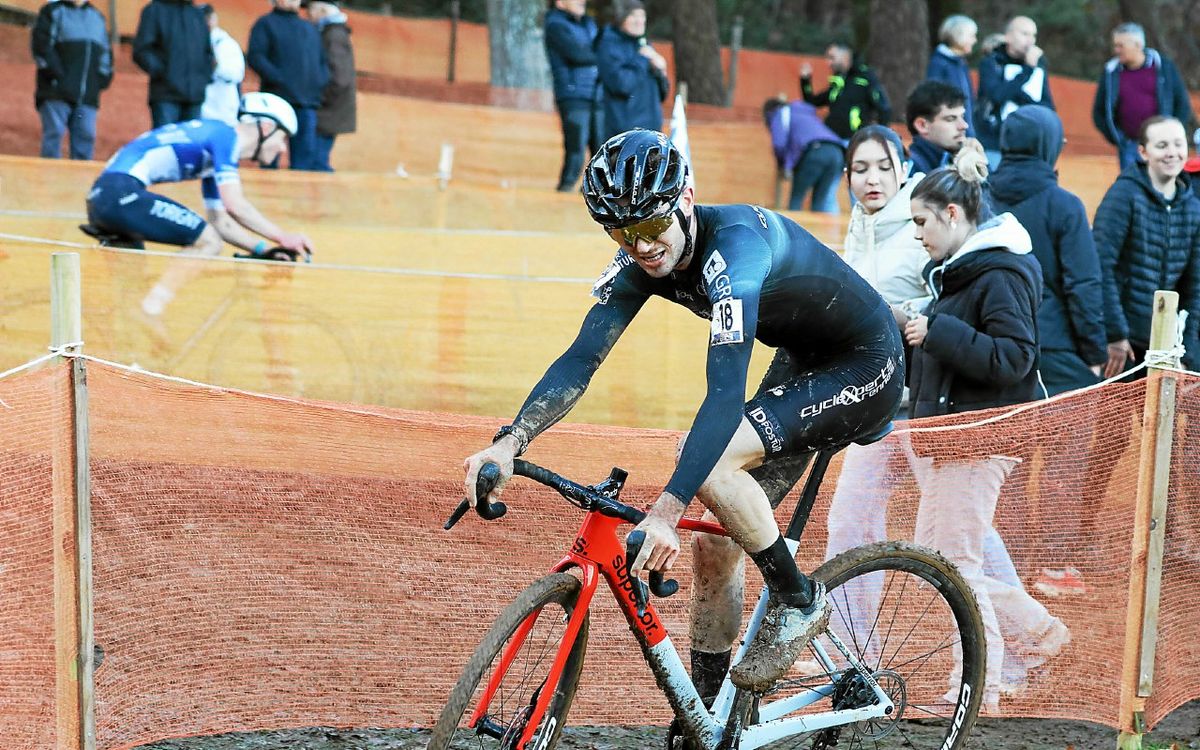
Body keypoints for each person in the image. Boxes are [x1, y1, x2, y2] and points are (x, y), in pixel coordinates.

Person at [462, 129, 904, 700]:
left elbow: (723, 397)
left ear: (686, 200)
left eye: (652, 226)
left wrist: (667, 510)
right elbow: (581, 358)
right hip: (804, 358)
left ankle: (799, 602)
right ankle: (707, 716)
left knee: (710, 468)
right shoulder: (641, 254)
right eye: (622, 233)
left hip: (866, 364)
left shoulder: (736, 254)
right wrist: (509, 441)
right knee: (718, 540)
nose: (643, 246)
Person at [905, 146, 1069, 710]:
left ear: (953, 214)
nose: (918, 235)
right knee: (937, 559)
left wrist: (936, 333)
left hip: (982, 440)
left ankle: (978, 688)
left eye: (922, 222)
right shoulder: (962, 274)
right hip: (957, 439)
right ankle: (1037, 632)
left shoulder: (1000, 273)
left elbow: (1015, 358)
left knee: (955, 566)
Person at [84, 93, 315, 317]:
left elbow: (220, 222)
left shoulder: (215, 153)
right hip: (120, 193)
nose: (283, 148)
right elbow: (235, 204)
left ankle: (138, 323)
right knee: (208, 242)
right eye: (283, 138)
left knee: (130, 300)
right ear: (266, 127)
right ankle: (152, 308)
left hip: (108, 196)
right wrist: (283, 237)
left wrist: (263, 249)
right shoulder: (225, 137)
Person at [991, 106, 1106, 394]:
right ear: (1049, 144)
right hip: (1053, 348)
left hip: (990, 347)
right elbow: (1083, 285)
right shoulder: (1064, 205)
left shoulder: (978, 198)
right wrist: (1094, 354)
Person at [1094, 115, 1200, 376]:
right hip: (1124, 345)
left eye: (1178, 144)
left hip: (1165, 344)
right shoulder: (1123, 196)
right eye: (1162, 145)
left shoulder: (1193, 209)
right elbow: (1101, 265)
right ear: (1143, 152)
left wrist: (1187, 353)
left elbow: (1195, 287)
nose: (1172, 152)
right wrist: (1115, 334)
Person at [1092, 23, 1194, 171]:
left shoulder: (1163, 67)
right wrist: (1117, 138)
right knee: (1131, 184)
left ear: (1138, 45)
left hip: (1162, 145)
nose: (1116, 50)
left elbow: (1182, 104)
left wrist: (1171, 134)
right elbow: (1099, 111)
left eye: (1121, 46)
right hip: (1129, 146)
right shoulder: (1110, 72)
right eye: (1115, 45)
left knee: (1162, 183)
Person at [248, 0, 329, 170]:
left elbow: (323, 62)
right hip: (275, 103)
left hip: (306, 104)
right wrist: (279, 79)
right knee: (269, 157)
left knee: (303, 162)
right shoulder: (265, 24)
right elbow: (256, 57)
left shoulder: (309, 28)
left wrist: (317, 83)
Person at [31, 0, 112, 160]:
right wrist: (58, 76)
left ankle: (81, 176)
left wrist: (100, 80)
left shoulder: (97, 17)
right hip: (56, 92)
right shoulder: (52, 11)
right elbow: (41, 47)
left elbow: (105, 55)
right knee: (54, 134)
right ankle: (49, 175)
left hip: (87, 96)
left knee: (86, 137)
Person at [975, 16, 1053, 170]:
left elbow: (1047, 105)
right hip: (994, 143)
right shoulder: (992, 62)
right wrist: (1027, 70)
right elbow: (997, 96)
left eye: (1033, 35)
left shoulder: (1039, 65)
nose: (1030, 40)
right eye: (1024, 34)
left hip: (1028, 145)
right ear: (1008, 37)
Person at [544, 0, 604, 192]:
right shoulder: (555, 24)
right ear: (560, 2)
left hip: (597, 94)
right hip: (573, 95)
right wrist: (605, 56)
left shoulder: (589, 23)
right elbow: (578, 54)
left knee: (601, 148)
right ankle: (565, 189)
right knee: (576, 149)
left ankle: (592, 192)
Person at [133, 0, 213, 128]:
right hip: (166, 97)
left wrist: (203, 78)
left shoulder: (197, 14)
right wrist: (165, 73)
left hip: (194, 99)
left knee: (191, 141)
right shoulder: (155, 10)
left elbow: (207, 52)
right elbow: (142, 50)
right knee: (166, 140)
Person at [596, 0, 669, 138]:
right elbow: (622, 85)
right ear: (620, 18)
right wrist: (644, 60)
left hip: (652, 129)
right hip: (624, 131)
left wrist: (661, 72)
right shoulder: (609, 44)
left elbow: (662, 93)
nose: (639, 21)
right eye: (633, 15)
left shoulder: (644, 44)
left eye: (642, 16)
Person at [762, 96, 844, 213]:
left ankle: (791, 225)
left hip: (815, 152)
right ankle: (820, 225)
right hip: (837, 152)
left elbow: (779, 144)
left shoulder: (779, 114)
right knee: (820, 202)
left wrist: (782, 165)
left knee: (796, 198)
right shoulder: (805, 113)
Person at [800, 43, 891, 140]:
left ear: (845, 56)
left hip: (855, 140)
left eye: (832, 57)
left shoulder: (865, 77)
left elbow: (884, 109)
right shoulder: (838, 81)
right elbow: (811, 102)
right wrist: (805, 81)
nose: (828, 63)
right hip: (832, 138)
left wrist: (878, 137)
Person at [306, 0, 356, 172]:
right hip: (329, 111)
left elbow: (339, 78)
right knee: (317, 161)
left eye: (310, 10)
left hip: (327, 112)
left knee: (317, 163)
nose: (308, 15)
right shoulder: (333, 33)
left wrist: (318, 99)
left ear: (322, 11)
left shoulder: (333, 35)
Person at [925, 14, 978, 137]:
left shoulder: (960, 63)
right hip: (950, 135)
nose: (975, 40)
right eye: (971, 36)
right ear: (958, 36)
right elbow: (935, 101)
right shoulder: (939, 63)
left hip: (966, 131)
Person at [905, 80, 970, 176]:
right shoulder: (910, 172)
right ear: (922, 125)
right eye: (951, 119)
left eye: (963, 117)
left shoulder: (965, 160)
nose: (964, 125)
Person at [199, 4, 245, 126]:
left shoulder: (227, 44)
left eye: (209, 18)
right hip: (201, 110)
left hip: (224, 111)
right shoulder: (193, 43)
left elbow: (236, 75)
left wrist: (217, 66)